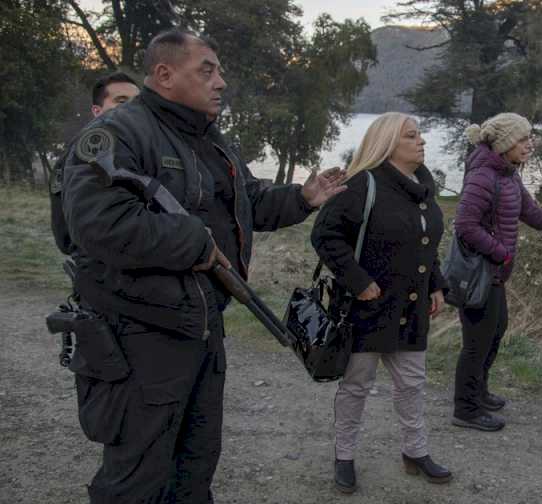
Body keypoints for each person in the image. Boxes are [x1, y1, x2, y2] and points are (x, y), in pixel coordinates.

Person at [60, 30, 345, 503]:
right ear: (165, 75)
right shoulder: (117, 134)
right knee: (136, 475)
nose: (221, 82)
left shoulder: (209, 139)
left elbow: (246, 203)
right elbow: (97, 224)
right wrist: (193, 240)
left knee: (194, 463)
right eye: (207, 71)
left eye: (220, 72)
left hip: (202, 326)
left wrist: (301, 197)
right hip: (139, 333)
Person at [311, 112, 452, 494]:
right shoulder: (363, 185)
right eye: (411, 136)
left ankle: (415, 452)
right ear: (389, 144)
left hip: (411, 309)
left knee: (412, 384)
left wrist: (436, 285)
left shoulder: (423, 185)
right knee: (357, 385)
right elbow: (325, 235)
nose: (421, 141)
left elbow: (425, 243)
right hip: (367, 309)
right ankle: (344, 457)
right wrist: (359, 282)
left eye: (420, 134)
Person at [451, 113, 542, 432]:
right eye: (523, 139)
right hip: (480, 274)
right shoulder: (483, 176)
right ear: (505, 143)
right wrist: (501, 252)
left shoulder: (508, 176)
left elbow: (534, 215)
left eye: (529, 137)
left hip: (495, 275)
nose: (529, 144)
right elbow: (464, 225)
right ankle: (465, 409)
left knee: (495, 330)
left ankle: (478, 392)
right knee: (477, 342)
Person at [50, 71, 140, 255]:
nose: (132, 108)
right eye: (121, 101)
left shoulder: (146, 149)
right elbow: (66, 234)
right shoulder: (85, 152)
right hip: (103, 271)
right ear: (97, 111)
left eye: (137, 102)